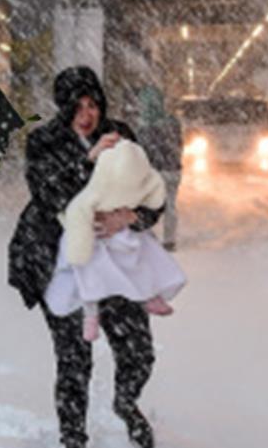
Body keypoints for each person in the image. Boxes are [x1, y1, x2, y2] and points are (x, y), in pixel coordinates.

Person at [7, 66, 164, 448]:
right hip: (62, 266)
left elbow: (150, 188)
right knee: (74, 361)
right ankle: (73, 444)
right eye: (77, 106)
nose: (86, 115)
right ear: (63, 108)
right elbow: (49, 192)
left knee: (139, 352)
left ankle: (126, 402)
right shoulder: (44, 141)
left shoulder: (121, 134)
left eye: (92, 104)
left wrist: (132, 216)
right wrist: (87, 160)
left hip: (116, 266)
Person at [43, 138, 187, 342]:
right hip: (90, 234)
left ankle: (148, 294)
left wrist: (132, 217)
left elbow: (153, 199)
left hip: (125, 232)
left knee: (140, 258)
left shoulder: (127, 152)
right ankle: (91, 315)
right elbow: (57, 197)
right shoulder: (73, 163)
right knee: (88, 275)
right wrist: (80, 239)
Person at [134, 86, 183, 250]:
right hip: (172, 169)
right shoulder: (173, 122)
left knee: (144, 205)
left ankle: (144, 237)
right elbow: (179, 144)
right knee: (170, 206)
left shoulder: (142, 126)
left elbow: (141, 150)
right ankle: (169, 240)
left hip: (151, 171)